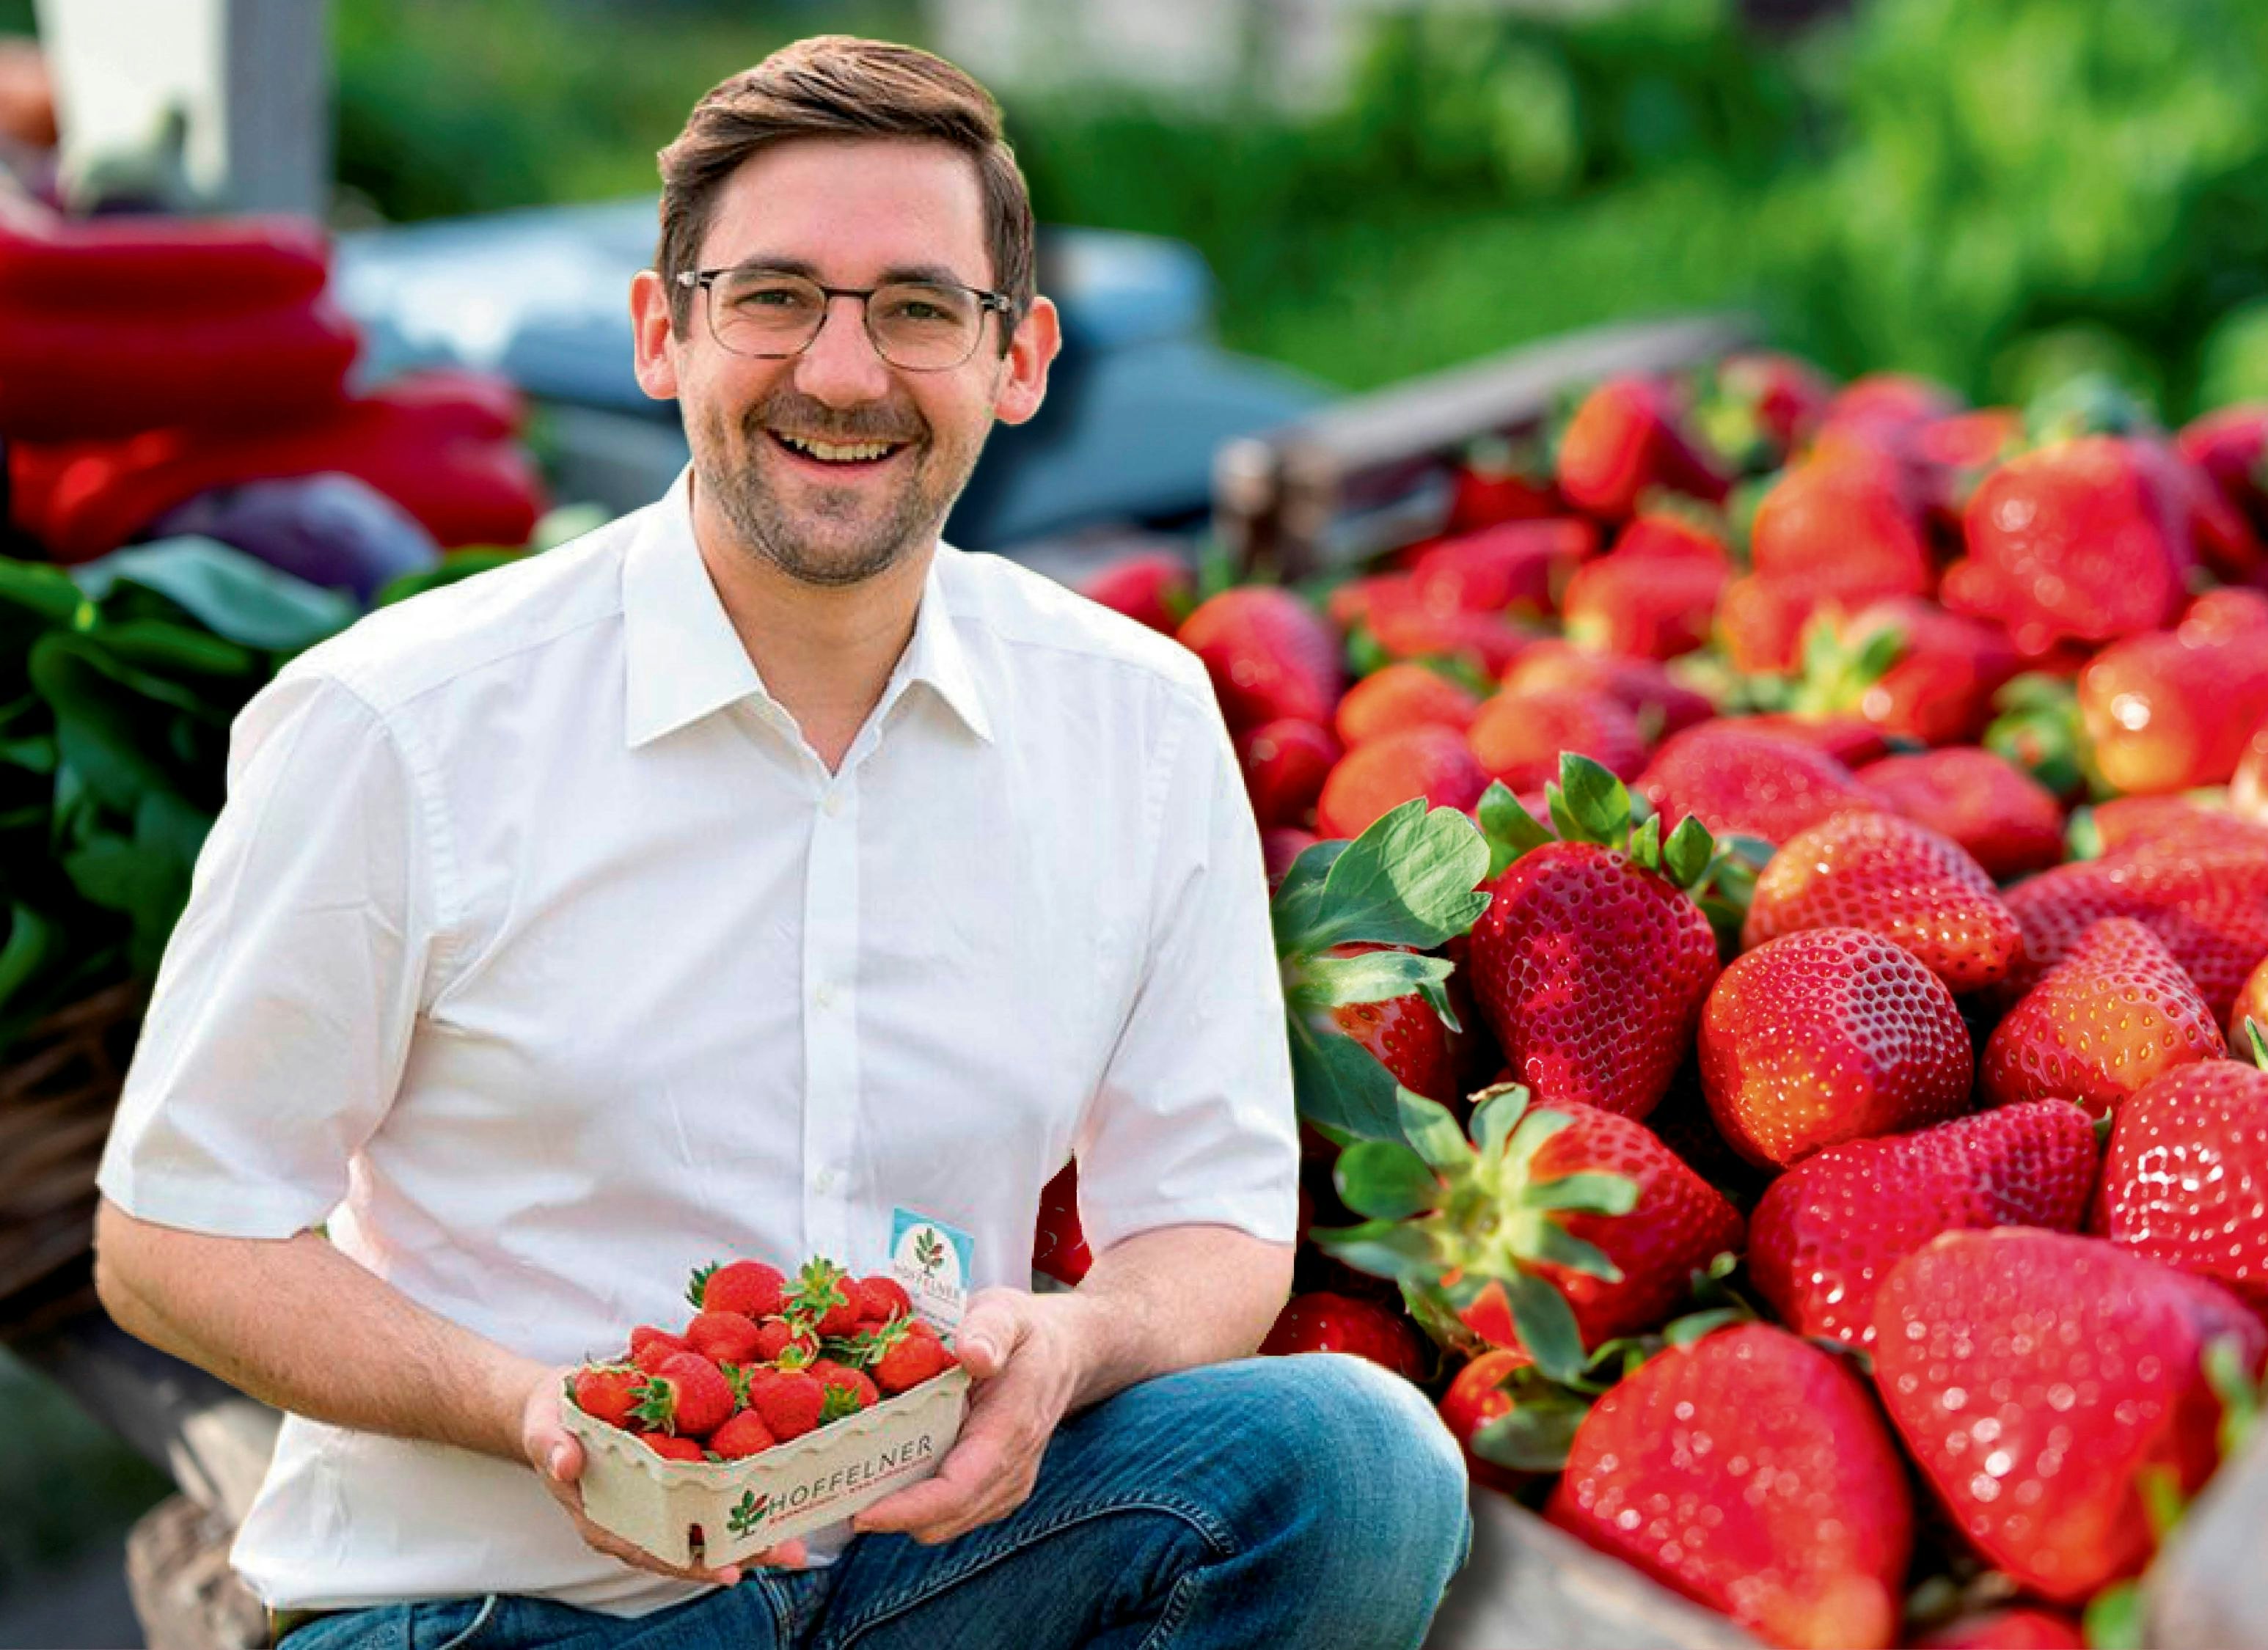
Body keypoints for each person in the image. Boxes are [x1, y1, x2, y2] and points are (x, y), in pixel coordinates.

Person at [90, 34, 1469, 1650]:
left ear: (1015, 359)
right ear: (660, 335)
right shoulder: (403, 725)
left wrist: (1077, 1347)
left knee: (1356, 1467)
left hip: (920, 1571)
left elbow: (1212, 1219)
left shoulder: (1136, 720)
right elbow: (173, 1235)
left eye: (914, 307)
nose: (840, 371)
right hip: (503, 1609)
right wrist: (529, 1408)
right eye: (771, 298)